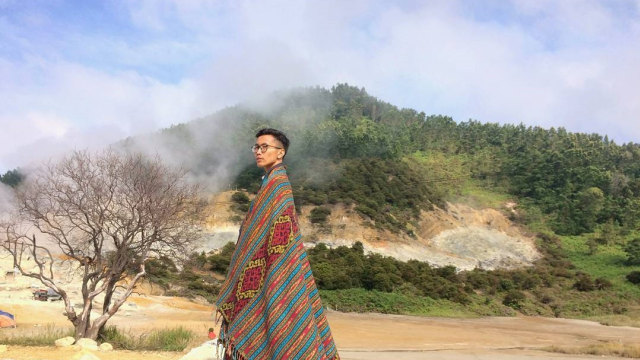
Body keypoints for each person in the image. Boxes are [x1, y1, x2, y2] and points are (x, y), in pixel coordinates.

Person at [216, 128, 340, 360]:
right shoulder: (268, 183)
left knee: (279, 324)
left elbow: (282, 235)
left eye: (265, 147)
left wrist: (271, 267)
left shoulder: (279, 185)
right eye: (256, 147)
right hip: (263, 268)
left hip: (275, 269)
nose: (259, 152)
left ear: (280, 153)